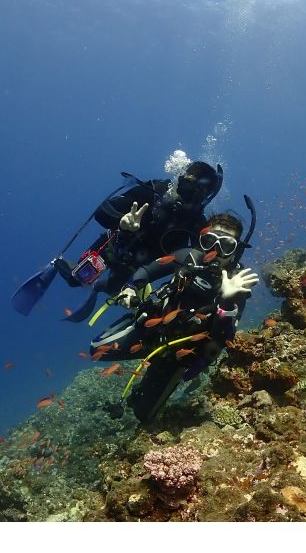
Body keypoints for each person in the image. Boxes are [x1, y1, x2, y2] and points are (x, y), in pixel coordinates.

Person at [90, 210, 259, 423]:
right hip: (150, 329)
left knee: (145, 416)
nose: (215, 251)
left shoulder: (238, 283)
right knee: (95, 350)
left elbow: (223, 338)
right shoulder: (188, 256)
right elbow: (148, 270)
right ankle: (132, 323)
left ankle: (148, 385)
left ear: (236, 251)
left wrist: (227, 299)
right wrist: (131, 287)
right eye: (209, 241)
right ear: (201, 241)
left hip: (179, 355)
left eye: (226, 245)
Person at [52, 157, 223, 323]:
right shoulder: (152, 193)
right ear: (179, 180)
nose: (189, 197)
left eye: (197, 193)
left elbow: (202, 259)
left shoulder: (197, 224)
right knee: (75, 280)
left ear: (206, 198)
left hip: (141, 270)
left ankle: (98, 287)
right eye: (187, 187)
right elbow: (102, 212)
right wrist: (120, 221)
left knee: (114, 290)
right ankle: (56, 264)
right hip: (112, 249)